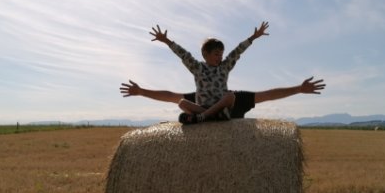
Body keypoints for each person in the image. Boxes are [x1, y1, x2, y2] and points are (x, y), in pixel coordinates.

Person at [149, 22, 269, 124]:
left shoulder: (224, 67)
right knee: (182, 103)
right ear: (205, 54)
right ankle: (209, 116)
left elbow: (237, 51)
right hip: (203, 108)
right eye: (217, 54)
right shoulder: (198, 68)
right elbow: (183, 54)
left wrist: (253, 37)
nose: (220, 57)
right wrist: (166, 40)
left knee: (231, 96)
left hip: (221, 107)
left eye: (221, 54)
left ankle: (201, 117)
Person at [119, 77, 326, 119]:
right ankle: (207, 116)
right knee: (182, 103)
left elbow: (269, 95)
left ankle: (205, 116)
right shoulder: (202, 95)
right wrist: (142, 91)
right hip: (203, 116)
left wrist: (299, 89)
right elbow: (171, 97)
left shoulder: (238, 97)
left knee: (184, 104)